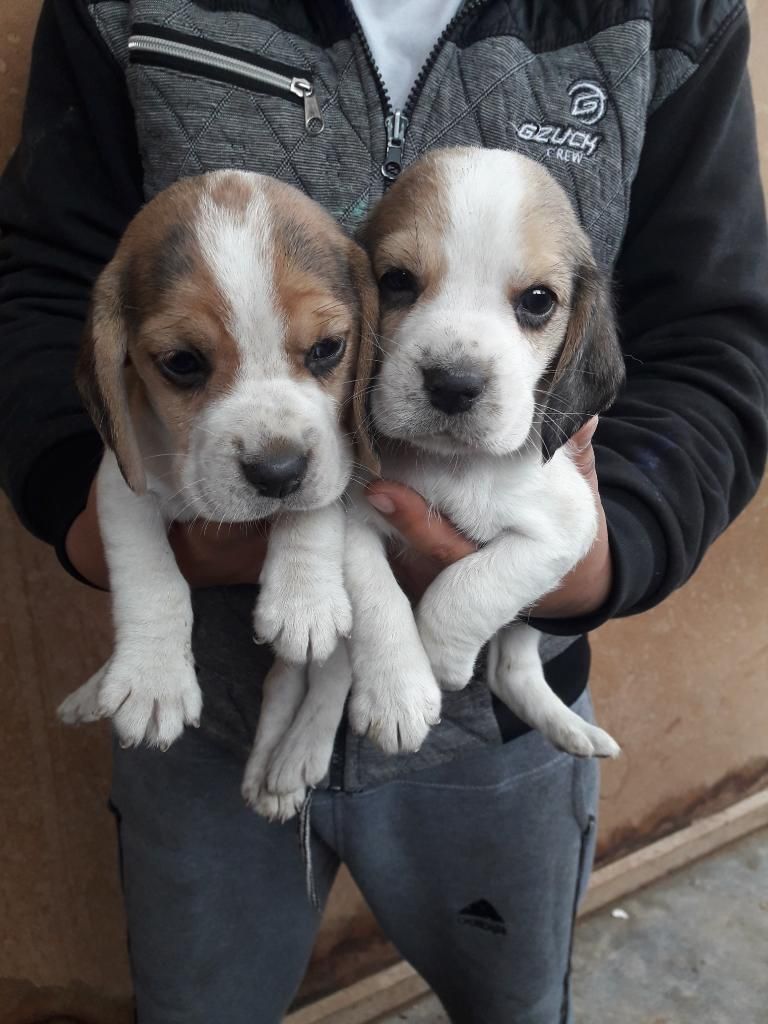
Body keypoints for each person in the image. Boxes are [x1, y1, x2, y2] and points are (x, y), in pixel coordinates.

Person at [1, 1, 766, 1022]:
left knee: (519, 1001)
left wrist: (598, 550)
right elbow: (41, 286)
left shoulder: (668, 17)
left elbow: (718, 343)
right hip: (202, 713)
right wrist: (101, 520)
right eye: (399, 284)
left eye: (533, 304)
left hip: (494, 740)